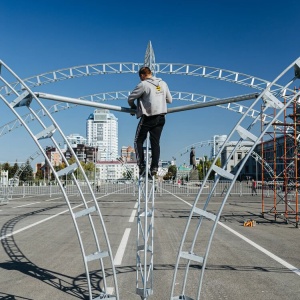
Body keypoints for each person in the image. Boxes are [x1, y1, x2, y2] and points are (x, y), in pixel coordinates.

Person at [128, 66, 172, 176]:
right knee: (155, 143)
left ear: (142, 75)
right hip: (161, 117)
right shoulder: (163, 83)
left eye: (140, 77)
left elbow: (130, 98)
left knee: (138, 141)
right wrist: (160, 98)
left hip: (149, 117)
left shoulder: (143, 84)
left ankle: (141, 165)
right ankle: (154, 167)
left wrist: (133, 107)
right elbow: (170, 100)